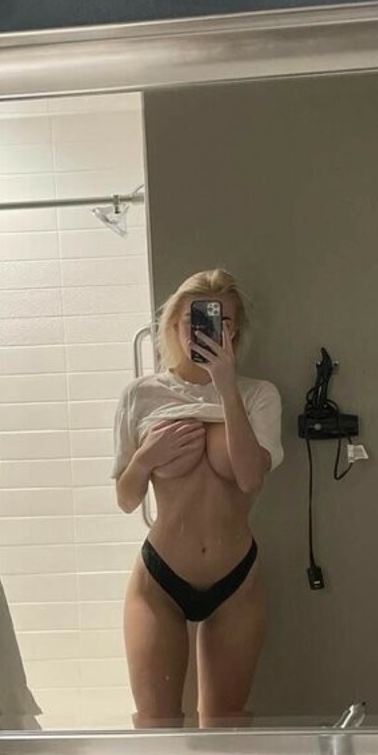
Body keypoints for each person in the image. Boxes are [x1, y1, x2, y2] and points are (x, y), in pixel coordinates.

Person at [112, 268, 283, 726]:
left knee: (226, 723)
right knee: (157, 724)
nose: (207, 330)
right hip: (159, 580)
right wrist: (145, 459)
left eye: (222, 321)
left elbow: (249, 478)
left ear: (235, 331)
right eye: (196, 320)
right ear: (174, 325)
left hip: (236, 580)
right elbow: (126, 498)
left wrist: (225, 386)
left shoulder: (258, 395)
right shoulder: (142, 394)